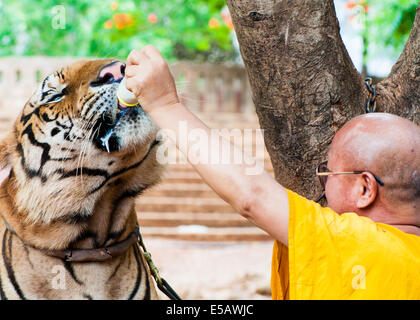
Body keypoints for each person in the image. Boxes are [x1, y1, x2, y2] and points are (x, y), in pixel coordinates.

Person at [125, 45, 420, 299]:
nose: (322, 186)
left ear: (364, 189)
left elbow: (252, 195)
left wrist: (165, 104)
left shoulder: (359, 245)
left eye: (328, 173)